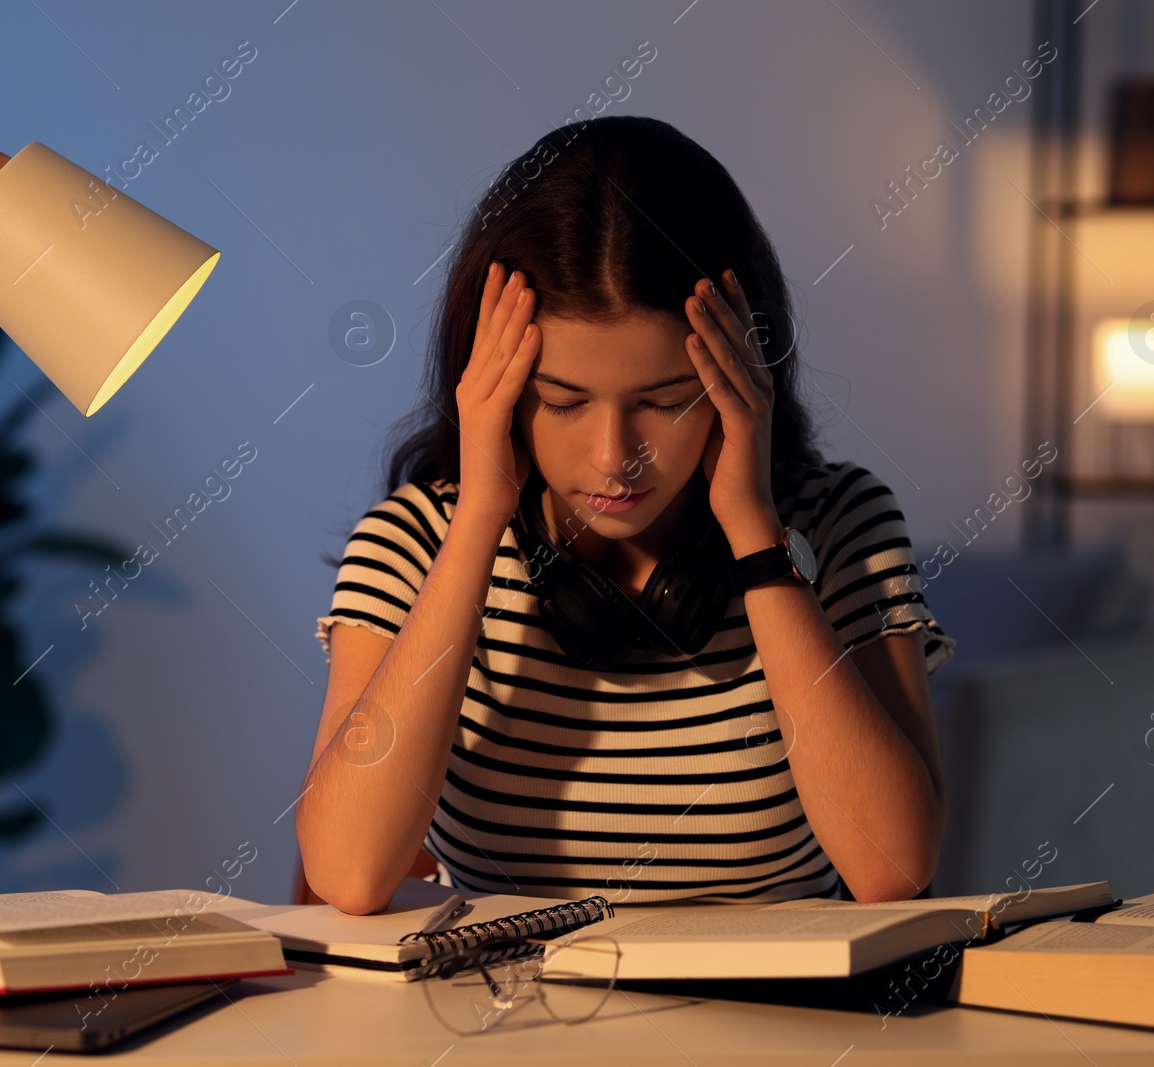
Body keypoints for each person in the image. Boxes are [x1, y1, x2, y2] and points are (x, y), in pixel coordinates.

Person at [298, 115, 955, 915]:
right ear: (496, 391)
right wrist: (477, 522)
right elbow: (350, 872)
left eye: (666, 401)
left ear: (740, 379)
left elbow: (892, 865)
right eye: (563, 402)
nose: (615, 457)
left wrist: (754, 532)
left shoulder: (839, 524)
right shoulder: (415, 542)